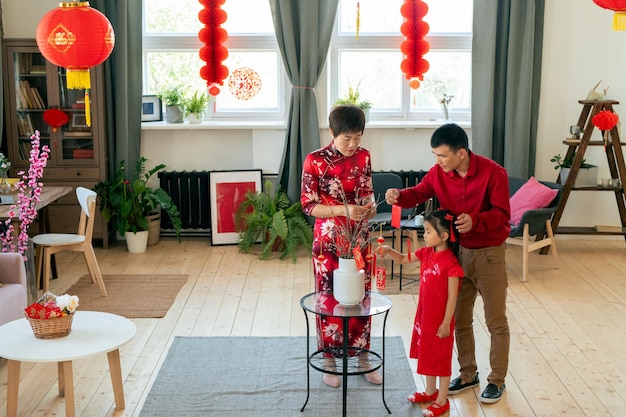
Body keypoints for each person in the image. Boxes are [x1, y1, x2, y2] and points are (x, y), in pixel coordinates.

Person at [385, 123, 510, 403]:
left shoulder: (494, 173)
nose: (437, 161)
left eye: (441, 155)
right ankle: (468, 375)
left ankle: (497, 380)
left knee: (495, 321)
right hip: (458, 254)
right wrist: (398, 196)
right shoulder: (438, 173)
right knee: (460, 319)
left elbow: (503, 214)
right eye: (435, 155)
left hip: (490, 254)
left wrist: (476, 220)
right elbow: (418, 193)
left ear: (461, 153)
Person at [300, 104, 381, 388]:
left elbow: (369, 193)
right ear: (332, 132)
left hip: (359, 238)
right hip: (328, 242)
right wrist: (343, 211)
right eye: (347, 138)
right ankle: (329, 360)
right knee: (328, 297)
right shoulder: (315, 160)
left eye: (357, 137)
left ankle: (362, 357)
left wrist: (369, 208)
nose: (353, 144)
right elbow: (308, 205)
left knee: (362, 296)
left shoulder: (365, 157)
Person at [378, 210, 463, 417]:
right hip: (425, 315)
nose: (424, 235)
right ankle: (430, 391)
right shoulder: (426, 253)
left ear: (443, 236)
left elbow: (453, 297)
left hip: (441, 319)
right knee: (428, 352)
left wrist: (445, 323)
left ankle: (442, 401)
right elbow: (402, 259)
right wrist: (389, 250)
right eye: (424, 231)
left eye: (427, 232)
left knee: (441, 358)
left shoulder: (451, 264)